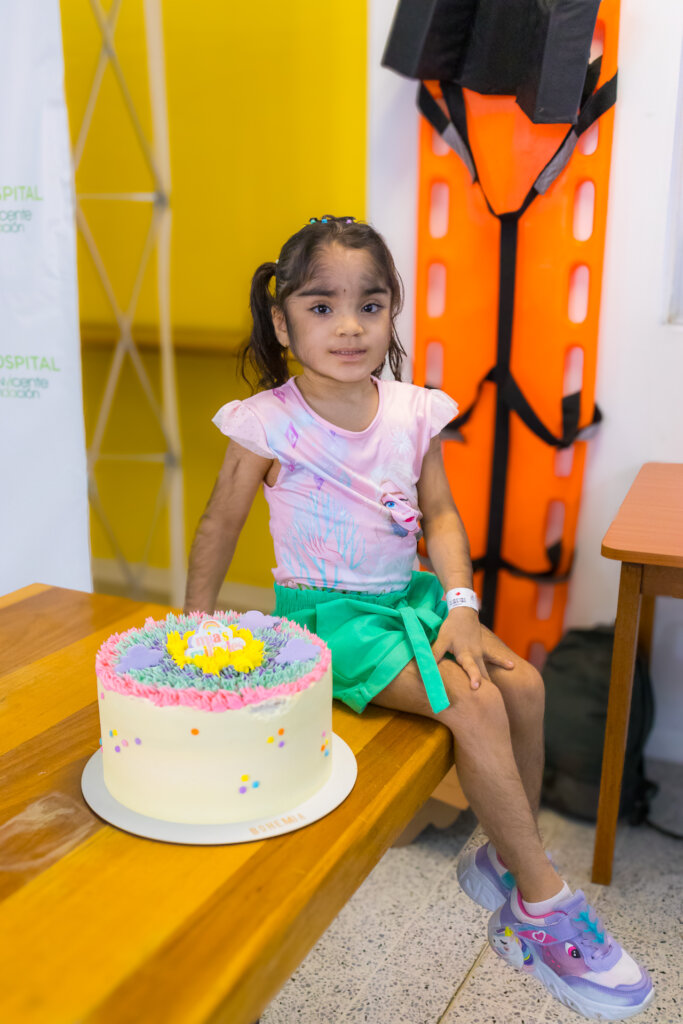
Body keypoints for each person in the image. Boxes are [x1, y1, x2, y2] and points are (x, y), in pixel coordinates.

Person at [184, 215, 652, 1020]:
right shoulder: (267, 421)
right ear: (281, 320)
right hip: (327, 617)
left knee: (526, 685)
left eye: (370, 304)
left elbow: (439, 517)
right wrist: (194, 625)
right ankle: (541, 904)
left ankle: (504, 867)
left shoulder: (410, 411)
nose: (350, 325)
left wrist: (462, 607)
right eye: (322, 306)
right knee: (472, 701)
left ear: (392, 313)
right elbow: (218, 524)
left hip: (409, 600)